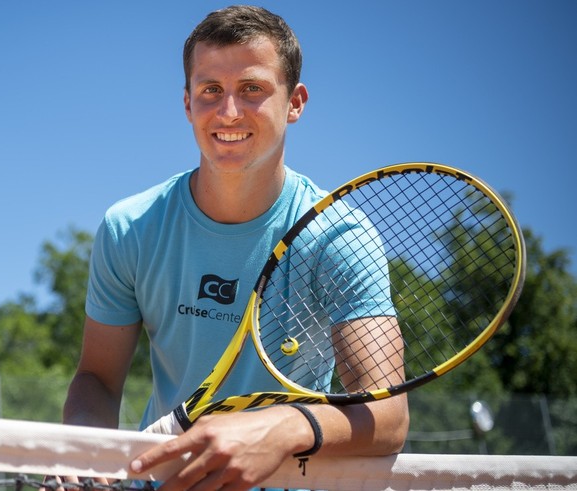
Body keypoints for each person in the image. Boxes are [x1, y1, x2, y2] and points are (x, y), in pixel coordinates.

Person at [60, 5, 409, 490]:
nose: (228, 111)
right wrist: (82, 462)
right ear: (187, 103)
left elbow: (387, 415)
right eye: (210, 91)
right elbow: (96, 381)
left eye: (252, 89)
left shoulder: (340, 237)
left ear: (295, 102)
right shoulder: (130, 227)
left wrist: (283, 428)